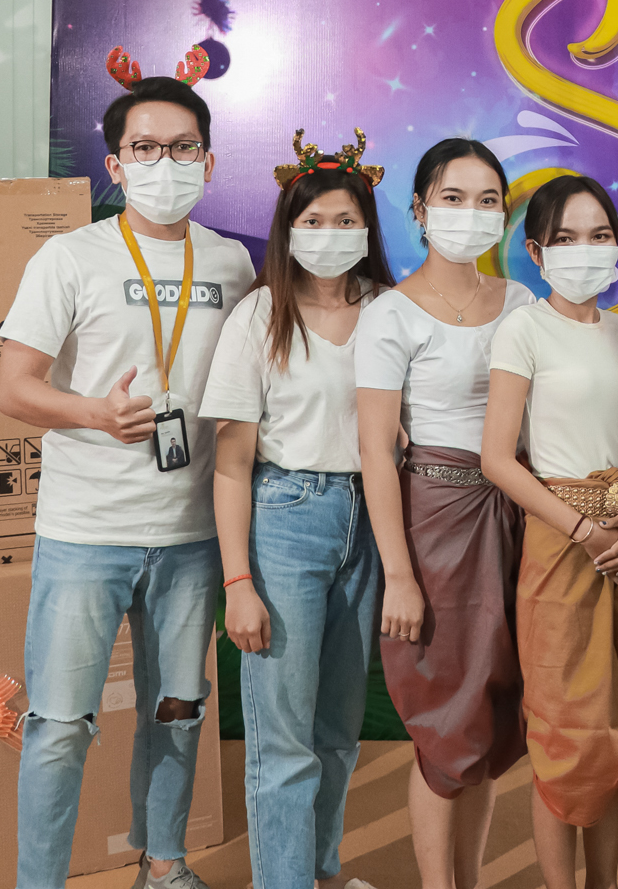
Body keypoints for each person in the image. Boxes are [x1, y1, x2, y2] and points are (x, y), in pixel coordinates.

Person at [0, 47, 255, 889]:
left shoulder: (232, 263)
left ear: (208, 161)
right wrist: (95, 415)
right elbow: (13, 388)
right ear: (115, 165)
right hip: (85, 533)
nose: (164, 164)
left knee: (178, 712)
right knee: (59, 725)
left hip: (190, 536)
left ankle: (165, 864)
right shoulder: (70, 258)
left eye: (182, 148)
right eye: (145, 148)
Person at [201, 130, 393, 889]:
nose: (329, 234)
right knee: (283, 738)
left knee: (338, 728)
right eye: (312, 221)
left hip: (370, 520)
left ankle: (319, 871)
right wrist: (238, 581)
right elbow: (231, 463)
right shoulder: (261, 315)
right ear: (287, 228)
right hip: (287, 516)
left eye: (345, 220)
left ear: (369, 228)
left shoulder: (389, 310)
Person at [481, 175, 618, 889]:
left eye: (599, 235)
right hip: (560, 546)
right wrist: (581, 529)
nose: (585, 250)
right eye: (565, 238)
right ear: (536, 252)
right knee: (565, 728)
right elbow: (497, 458)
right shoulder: (522, 330)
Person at [355, 138, 534, 889]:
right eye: (452, 199)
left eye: (487, 200)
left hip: (518, 517)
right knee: (444, 724)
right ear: (420, 210)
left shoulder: (522, 304)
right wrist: (399, 576)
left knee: (491, 722)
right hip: (435, 521)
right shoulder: (389, 315)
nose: (470, 213)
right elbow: (375, 452)